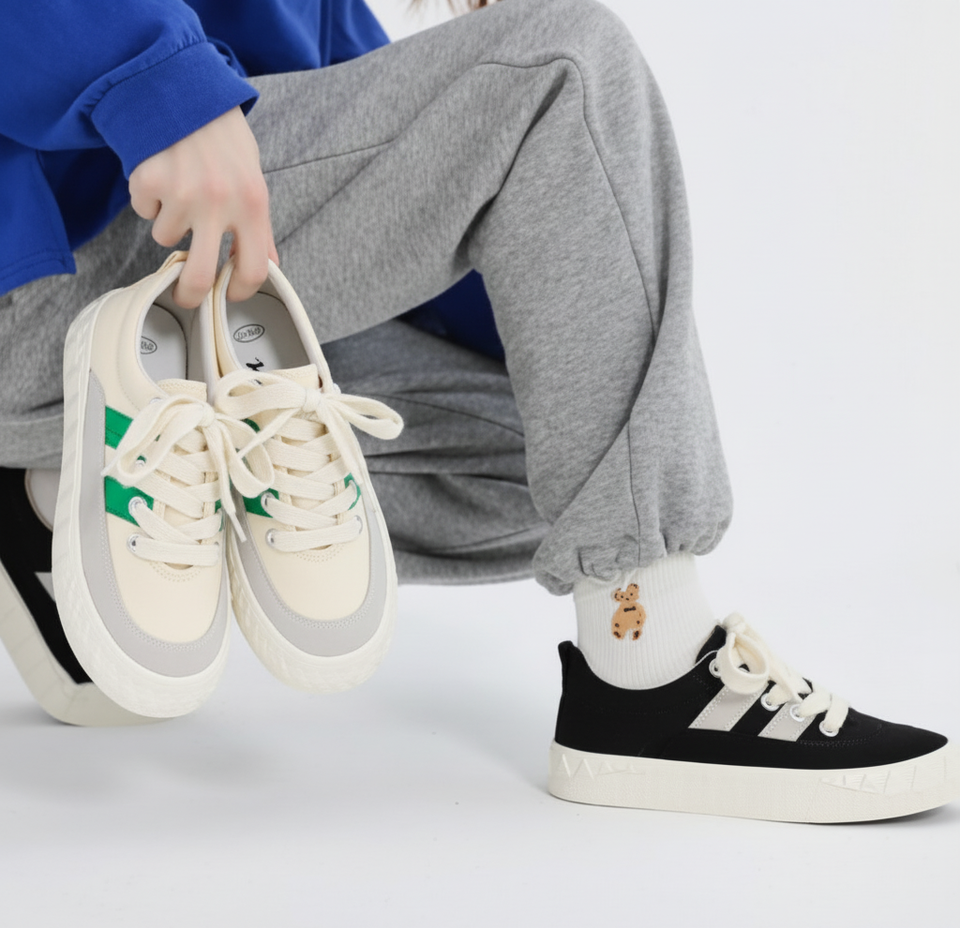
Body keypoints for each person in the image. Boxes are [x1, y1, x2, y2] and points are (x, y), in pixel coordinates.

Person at [0, 0, 955, 821]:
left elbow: (371, 148)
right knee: (560, 67)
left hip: (99, 290)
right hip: (39, 258)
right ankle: (651, 668)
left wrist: (582, 300)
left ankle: (57, 500)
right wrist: (155, 82)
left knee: (582, 456)